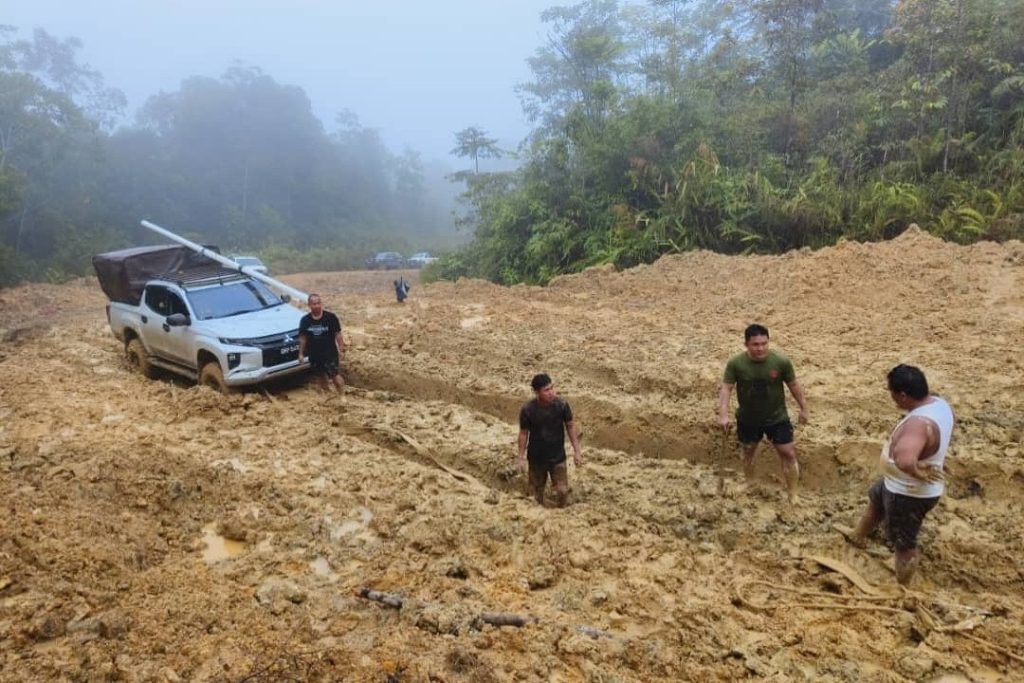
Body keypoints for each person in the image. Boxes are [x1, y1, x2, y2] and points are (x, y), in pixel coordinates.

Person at [839, 364, 954, 585]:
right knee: (877, 496)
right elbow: (944, 433)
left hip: (907, 493)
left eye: (891, 392)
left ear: (902, 395)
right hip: (895, 484)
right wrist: (936, 458)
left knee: (903, 540)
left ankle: (903, 587)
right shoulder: (941, 405)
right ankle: (858, 536)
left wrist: (919, 471)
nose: (891, 397)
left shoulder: (917, 425)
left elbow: (905, 460)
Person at [718, 323, 809, 503]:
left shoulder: (780, 362)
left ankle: (793, 493)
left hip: (777, 417)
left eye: (764, 343)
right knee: (748, 451)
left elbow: (793, 385)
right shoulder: (736, 364)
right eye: (755, 344)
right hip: (748, 418)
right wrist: (723, 414)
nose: (760, 348)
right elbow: (727, 388)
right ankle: (750, 482)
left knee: (788, 453)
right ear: (746, 344)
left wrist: (804, 408)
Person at [517, 374, 583, 507]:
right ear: (537, 392)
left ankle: (562, 512)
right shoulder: (528, 410)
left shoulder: (562, 405)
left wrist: (577, 451)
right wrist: (520, 457)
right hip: (536, 458)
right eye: (546, 390)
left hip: (557, 457)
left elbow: (570, 426)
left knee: (562, 491)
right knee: (535, 494)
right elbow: (524, 433)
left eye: (552, 388)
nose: (551, 392)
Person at [297, 293, 346, 393]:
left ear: (321, 304)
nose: (316, 306)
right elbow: (303, 338)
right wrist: (301, 353)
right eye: (314, 304)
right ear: (309, 305)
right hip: (314, 354)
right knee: (320, 376)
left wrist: (341, 348)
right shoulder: (305, 320)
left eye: (318, 303)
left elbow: (338, 334)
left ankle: (342, 394)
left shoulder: (330, 317)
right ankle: (327, 394)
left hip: (329, 352)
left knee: (334, 375)